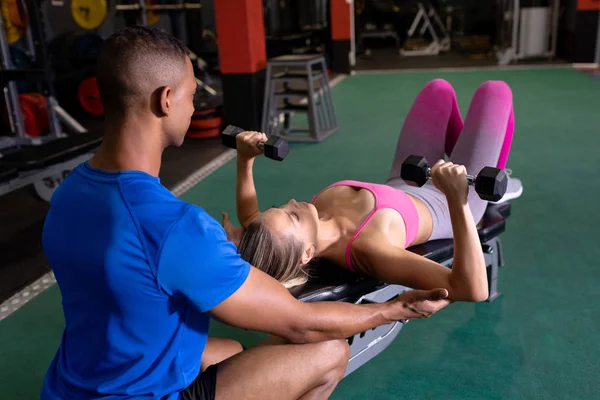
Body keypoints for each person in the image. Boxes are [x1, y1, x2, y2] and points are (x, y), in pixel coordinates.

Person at [39, 26, 451, 400]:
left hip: (73, 385)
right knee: (326, 351)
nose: (192, 106)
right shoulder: (175, 226)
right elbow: (300, 324)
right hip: (143, 395)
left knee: (231, 351)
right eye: (191, 94)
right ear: (166, 100)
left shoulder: (69, 195)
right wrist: (396, 307)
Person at [229, 78, 523, 300]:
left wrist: (245, 160)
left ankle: (472, 159)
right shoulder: (370, 249)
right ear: (306, 254)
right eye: (292, 216)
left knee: (438, 91)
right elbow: (471, 289)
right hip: (453, 202)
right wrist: (459, 199)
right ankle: (493, 182)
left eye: (280, 207)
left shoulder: (287, 230)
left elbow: (250, 216)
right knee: (495, 92)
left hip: (405, 179)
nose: (292, 202)